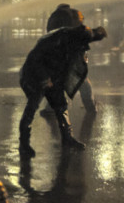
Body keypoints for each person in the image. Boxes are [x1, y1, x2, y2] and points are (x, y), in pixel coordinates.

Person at [18, 23, 107, 157]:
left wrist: (99, 33)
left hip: (53, 75)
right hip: (36, 76)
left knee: (61, 106)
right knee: (32, 107)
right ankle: (24, 145)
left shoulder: (75, 37)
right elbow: (35, 59)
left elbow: (90, 36)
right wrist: (44, 79)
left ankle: (67, 138)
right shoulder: (56, 40)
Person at [39, 5, 97, 114]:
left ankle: (52, 108)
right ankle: (90, 106)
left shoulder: (55, 17)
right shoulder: (74, 15)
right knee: (81, 78)